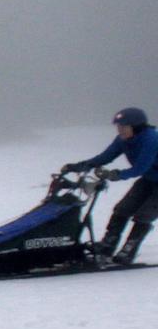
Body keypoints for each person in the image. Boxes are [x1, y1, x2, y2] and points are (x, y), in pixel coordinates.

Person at [61, 107, 158, 265]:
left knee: (144, 215)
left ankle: (129, 249)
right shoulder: (123, 139)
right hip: (149, 179)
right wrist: (83, 165)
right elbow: (106, 156)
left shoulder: (151, 139)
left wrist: (116, 175)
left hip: (149, 176)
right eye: (118, 127)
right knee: (122, 209)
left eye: (123, 126)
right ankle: (108, 244)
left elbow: (141, 167)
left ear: (136, 126)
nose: (120, 130)